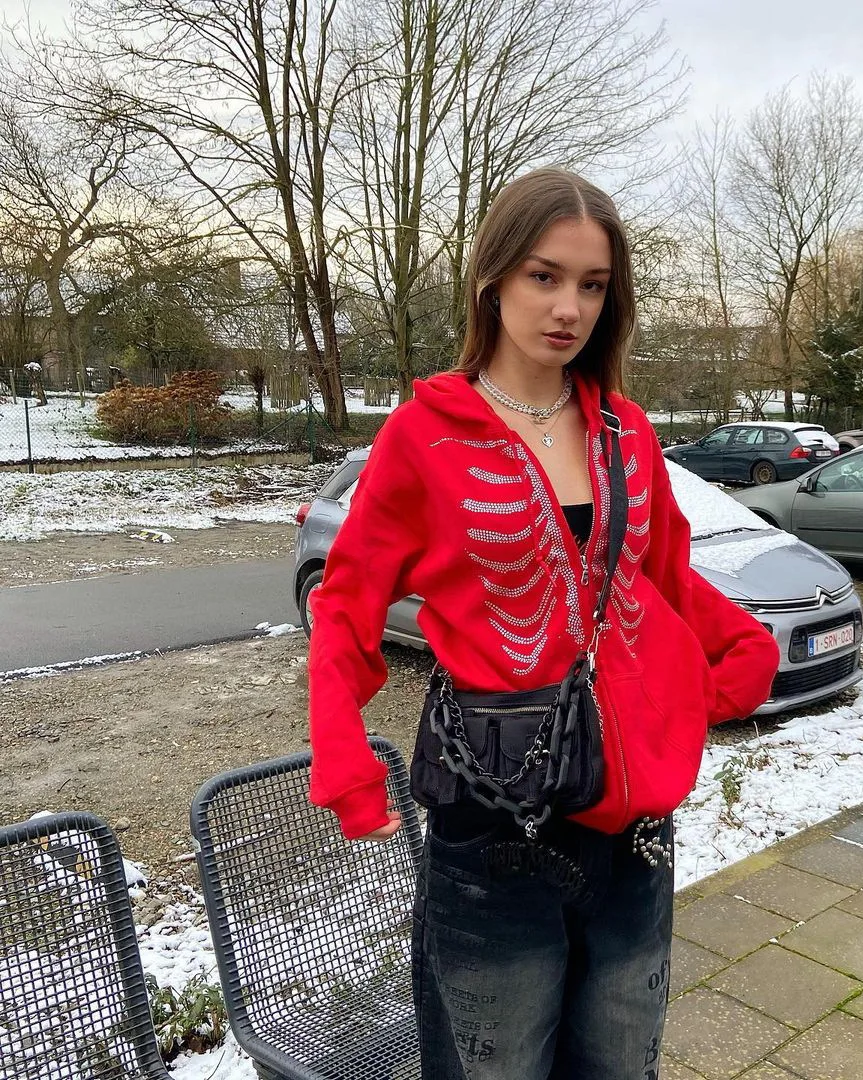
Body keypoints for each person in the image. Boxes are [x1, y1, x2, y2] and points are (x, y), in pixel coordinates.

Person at [308, 167, 780, 1080]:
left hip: (631, 827)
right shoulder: (423, 436)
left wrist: (741, 652)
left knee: (620, 1064)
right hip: (495, 825)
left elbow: (657, 580)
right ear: (493, 279)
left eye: (592, 285)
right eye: (544, 276)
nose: (569, 308)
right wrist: (344, 760)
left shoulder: (627, 432)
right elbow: (345, 603)